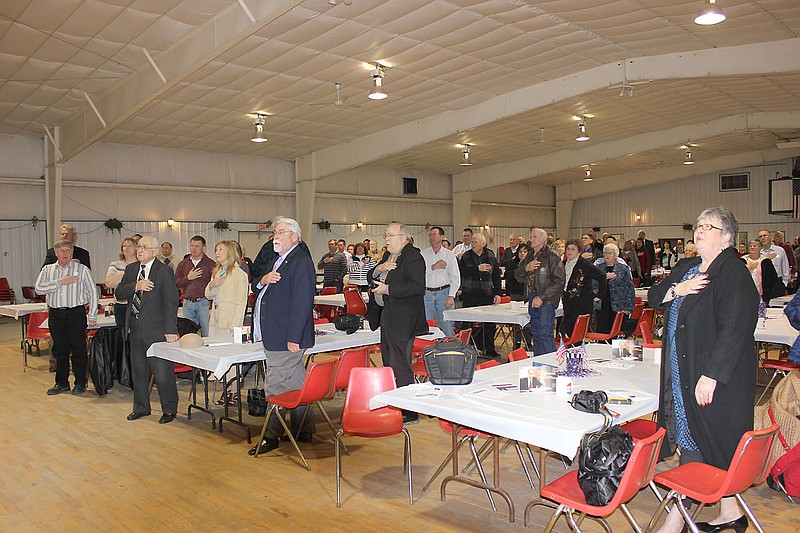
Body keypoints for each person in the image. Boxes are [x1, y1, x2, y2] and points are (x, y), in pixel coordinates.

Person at [649, 207, 759, 533]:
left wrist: (711, 374)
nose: (699, 231)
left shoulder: (733, 273)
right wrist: (676, 291)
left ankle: (674, 521)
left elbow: (737, 327)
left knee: (702, 440)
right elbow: (656, 297)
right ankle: (730, 513)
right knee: (695, 439)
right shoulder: (687, 268)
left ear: (726, 236)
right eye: (697, 226)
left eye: (708, 227)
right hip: (683, 371)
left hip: (711, 377)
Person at [248, 217, 316, 455]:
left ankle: (271, 435)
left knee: (275, 384)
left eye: (281, 232)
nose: (275, 236)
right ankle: (303, 429)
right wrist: (262, 280)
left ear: (295, 236)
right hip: (278, 333)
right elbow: (258, 284)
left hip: (286, 336)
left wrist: (294, 337)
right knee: (297, 382)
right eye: (275, 232)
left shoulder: (300, 261)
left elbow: (302, 302)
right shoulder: (279, 261)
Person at [116, 236, 180, 424]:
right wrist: (136, 285)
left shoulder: (164, 271)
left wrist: (171, 330)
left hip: (157, 330)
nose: (139, 250)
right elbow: (119, 293)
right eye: (138, 247)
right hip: (135, 327)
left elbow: (171, 302)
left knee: (162, 372)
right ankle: (141, 407)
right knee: (139, 371)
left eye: (144, 247)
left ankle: (169, 409)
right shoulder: (131, 269)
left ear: (154, 251)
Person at [368, 222, 427, 424]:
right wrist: (378, 268)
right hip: (387, 316)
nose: (386, 239)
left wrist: (389, 289)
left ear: (403, 237)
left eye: (390, 235)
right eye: (385, 235)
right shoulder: (387, 256)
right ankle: (394, 402)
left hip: (404, 318)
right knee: (388, 362)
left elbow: (417, 287)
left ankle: (409, 411)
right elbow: (370, 277)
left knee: (401, 364)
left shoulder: (413, 257)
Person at [35, 239, 98, 395]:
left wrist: (92, 314)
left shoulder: (82, 269)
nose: (65, 253)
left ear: (72, 253)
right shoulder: (47, 270)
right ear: (56, 253)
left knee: (79, 349)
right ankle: (61, 383)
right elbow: (38, 289)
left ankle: (80, 383)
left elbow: (93, 292)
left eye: (68, 251)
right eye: (61, 251)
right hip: (56, 313)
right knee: (60, 349)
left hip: (76, 313)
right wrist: (59, 282)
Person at [515, 227, 565, 356]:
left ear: (543, 239)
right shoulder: (530, 255)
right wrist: (526, 267)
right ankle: (540, 362)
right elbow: (517, 276)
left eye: (534, 237)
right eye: (531, 237)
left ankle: (551, 363)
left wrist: (542, 297)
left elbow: (559, 281)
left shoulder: (552, 256)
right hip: (532, 296)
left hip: (546, 299)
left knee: (545, 333)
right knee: (536, 333)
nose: (531, 239)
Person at [458, 233, 502, 358]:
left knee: (489, 323)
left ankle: (490, 349)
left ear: (483, 244)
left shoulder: (490, 256)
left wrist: (498, 293)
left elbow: (496, 276)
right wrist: (478, 268)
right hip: (470, 294)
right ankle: (466, 348)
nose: (473, 244)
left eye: (476, 242)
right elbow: (463, 273)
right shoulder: (466, 256)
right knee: (467, 323)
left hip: (487, 294)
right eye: (472, 242)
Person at [421, 226, 460, 337]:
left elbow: (455, 277)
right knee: (426, 325)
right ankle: (429, 351)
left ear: (442, 237)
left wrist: (451, 295)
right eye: (430, 235)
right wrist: (433, 267)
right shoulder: (423, 254)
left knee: (447, 326)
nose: (432, 237)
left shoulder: (449, 255)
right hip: (427, 293)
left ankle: (450, 350)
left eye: (434, 234)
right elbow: (419, 274)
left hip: (444, 292)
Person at [561, 239, 606, 337]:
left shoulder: (585, 264)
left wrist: (600, 295)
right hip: (568, 301)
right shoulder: (563, 264)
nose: (569, 251)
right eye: (568, 249)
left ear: (579, 251)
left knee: (578, 332)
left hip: (582, 303)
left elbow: (601, 276)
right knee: (569, 328)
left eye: (573, 249)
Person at [205, 240, 249, 337]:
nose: (217, 253)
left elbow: (241, 302)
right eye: (216, 250)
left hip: (229, 320)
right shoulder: (217, 272)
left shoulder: (239, 274)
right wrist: (212, 285)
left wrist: (235, 325)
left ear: (230, 252)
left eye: (221, 249)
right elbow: (208, 296)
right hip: (215, 317)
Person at [174, 235, 215, 336]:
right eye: (192, 246)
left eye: (197, 246)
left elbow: (214, 287)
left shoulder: (211, 264)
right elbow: (175, 283)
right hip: (188, 303)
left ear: (203, 248)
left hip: (204, 303)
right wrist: (188, 278)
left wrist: (211, 306)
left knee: (207, 333)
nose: (194, 249)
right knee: (188, 334)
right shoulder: (183, 264)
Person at [593, 243, 635, 334]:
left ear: (616, 255)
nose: (607, 255)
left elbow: (629, 289)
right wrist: (603, 277)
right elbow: (592, 284)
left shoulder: (623, 268)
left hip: (618, 304)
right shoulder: (598, 268)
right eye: (605, 253)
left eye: (610, 253)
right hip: (602, 304)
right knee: (602, 330)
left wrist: (628, 307)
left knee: (615, 331)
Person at [105, 237, 137, 326]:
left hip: (137, 305)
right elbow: (109, 283)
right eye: (124, 246)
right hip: (121, 305)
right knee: (122, 334)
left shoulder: (141, 265)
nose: (126, 248)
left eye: (130, 245)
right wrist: (126, 273)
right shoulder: (115, 265)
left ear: (136, 249)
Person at [742, 239, 782, 304]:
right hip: (745, 293)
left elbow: (773, 277)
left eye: (755, 246)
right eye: (750, 246)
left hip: (762, 294)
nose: (752, 247)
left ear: (760, 248)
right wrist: (748, 268)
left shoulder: (766, 261)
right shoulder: (742, 260)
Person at [501, 234, 525, 301]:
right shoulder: (507, 250)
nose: (512, 241)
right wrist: (511, 259)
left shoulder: (521, 249)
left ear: (518, 241)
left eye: (513, 239)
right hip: (510, 282)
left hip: (520, 288)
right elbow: (502, 262)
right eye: (510, 240)